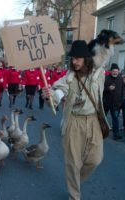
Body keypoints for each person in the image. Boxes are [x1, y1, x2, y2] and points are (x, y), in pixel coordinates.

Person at [42, 40, 105, 200]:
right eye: (72, 58)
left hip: (94, 121)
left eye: (78, 58)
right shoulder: (68, 78)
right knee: (73, 163)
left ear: (86, 58)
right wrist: (51, 95)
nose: (74, 62)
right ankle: (74, 196)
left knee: (95, 160)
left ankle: (75, 182)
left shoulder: (98, 74)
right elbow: (59, 90)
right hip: (74, 122)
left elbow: (103, 56)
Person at [103, 63, 124, 140]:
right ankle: (101, 132)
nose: (115, 72)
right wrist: (108, 88)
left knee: (115, 118)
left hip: (116, 103)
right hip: (106, 102)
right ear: (111, 71)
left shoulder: (120, 78)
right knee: (103, 118)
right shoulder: (106, 78)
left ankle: (116, 134)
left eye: (116, 71)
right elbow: (101, 89)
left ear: (118, 71)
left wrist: (121, 102)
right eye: (114, 71)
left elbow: (122, 91)